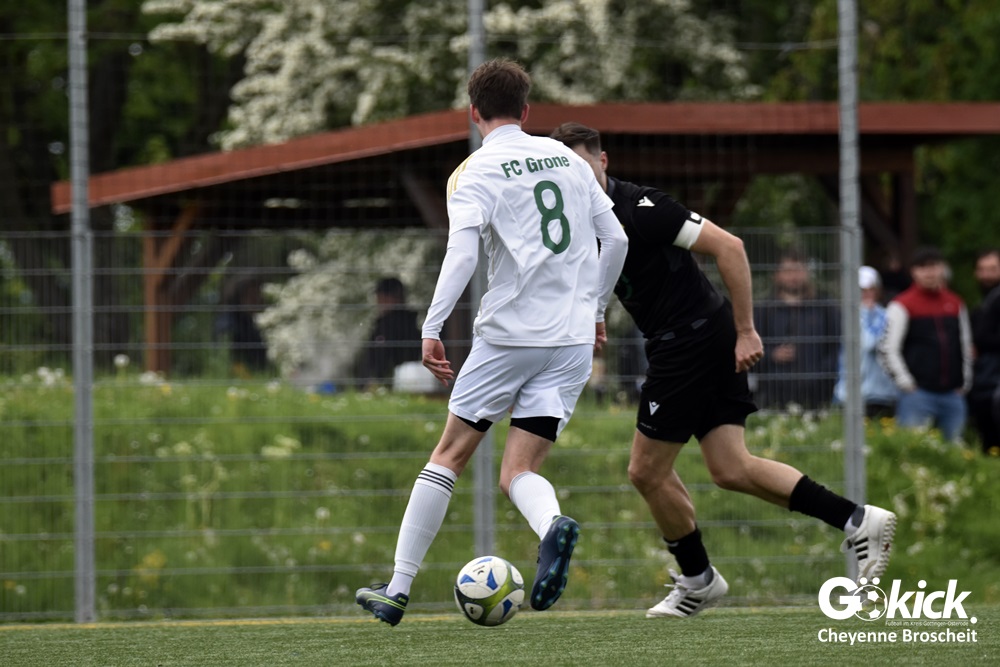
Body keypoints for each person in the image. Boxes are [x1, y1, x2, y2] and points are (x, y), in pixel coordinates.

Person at [550, 122, 896, 619]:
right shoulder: (578, 220)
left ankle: (698, 578)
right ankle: (857, 519)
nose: (576, 180)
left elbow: (729, 246)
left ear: (602, 162)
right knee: (731, 467)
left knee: (645, 470)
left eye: (583, 167)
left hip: (691, 342)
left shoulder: (644, 208)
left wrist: (747, 330)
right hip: (691, 339)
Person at [355, 60, 628, 626]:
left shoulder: (474, 170)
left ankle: (397, 589)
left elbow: (462, 253)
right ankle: (551, 525)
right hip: (572, 340)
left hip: (510, 337)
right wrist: (596, 310)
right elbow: (617, 238)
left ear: (473, 112)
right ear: (526, 110)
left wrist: (431, 327)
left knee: (449, 454)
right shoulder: (569, 161)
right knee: (517, 471)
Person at [878, 247, 973, 442]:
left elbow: (965, 345)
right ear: (914, 272)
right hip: (918, 394)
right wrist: (906, 383)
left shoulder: (955, 303)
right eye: (923, 267)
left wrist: (965, 382)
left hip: (952, 393)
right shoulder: (902, 304)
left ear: (943, 269)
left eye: (934, 266)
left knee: (954, 450)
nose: (929, 273)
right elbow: (887, 348)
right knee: (913, 447)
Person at [753, 248, 841, 410]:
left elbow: (837, 349)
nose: (793, 276)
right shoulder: (762, 310)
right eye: (788, 270)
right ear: (776, 274)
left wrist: (822, 375)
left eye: (798, 270)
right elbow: (748, 352)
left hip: (818, 397)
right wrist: (772, 355)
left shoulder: (825, 307)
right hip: (772, 398)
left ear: (807, 273)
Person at [833, 266, 899, 419]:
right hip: (849, 392)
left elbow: (873, 344)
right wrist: (865, 313)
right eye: (862, 290)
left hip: (882, 393)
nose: (867, 294)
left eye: (871, 289)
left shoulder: (886, 315)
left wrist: (866, 313)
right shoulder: (846, 316)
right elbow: (868, 344)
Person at [354, 277, 421, 389]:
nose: (379, 302)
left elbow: (380, 357)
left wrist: (372, 380)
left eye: (382, 297)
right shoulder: (408, 322)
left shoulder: (389, 326)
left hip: (389, 384)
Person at [968, 248, 1000, 455]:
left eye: (993, 269)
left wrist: (978, 343)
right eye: (983, 269)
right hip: (984, 381)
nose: (987, 274)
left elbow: (982, 336)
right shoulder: (985, 302)